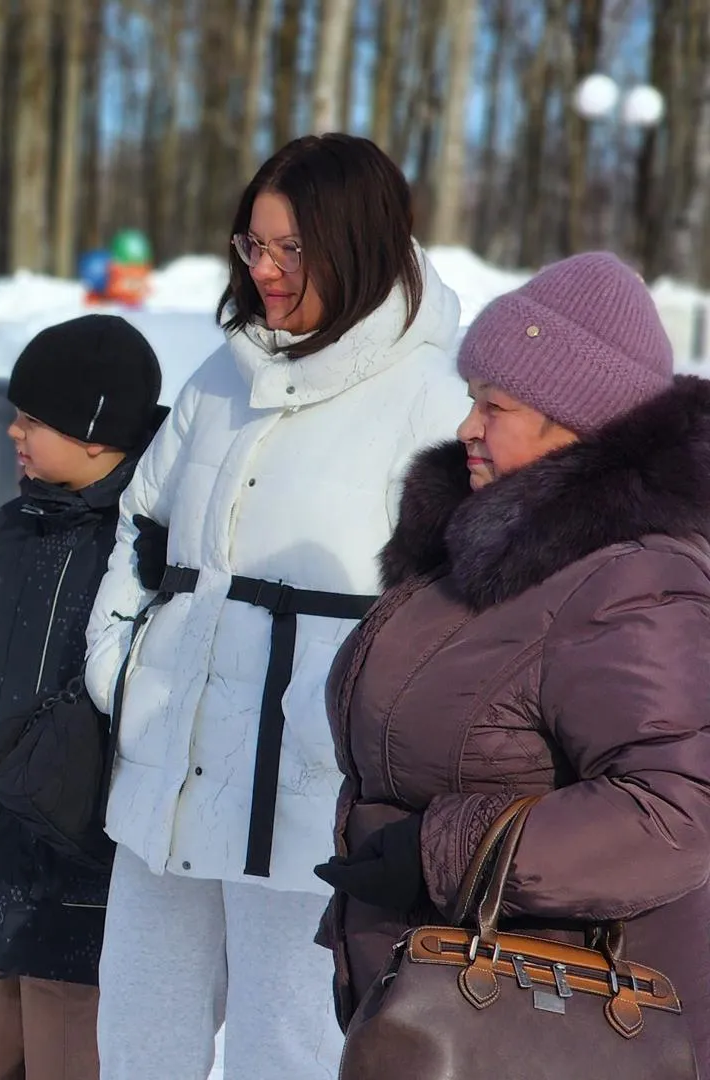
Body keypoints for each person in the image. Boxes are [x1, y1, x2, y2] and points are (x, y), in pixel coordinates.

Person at [80, 133, 467, 1078]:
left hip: (311, 802)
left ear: (360, 241)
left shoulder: (432, 397)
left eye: (293, 248)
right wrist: (121, 676)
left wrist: (364, 757)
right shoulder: (221, 376)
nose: (266, 271)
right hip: (168, 766)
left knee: (287, 1054)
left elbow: (455, 612)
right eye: (253, 245)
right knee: (136, 1042)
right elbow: (140, 532)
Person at [313, 252, 710, 1062]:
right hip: (449, 1002)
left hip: (554, 1023)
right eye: (470, 400)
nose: (466, 427)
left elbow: (677, 811)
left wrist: (442, 852)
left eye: (494, 406)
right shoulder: (483, 552)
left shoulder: (632, 579)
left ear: (573, 423)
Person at [0, 314, 167, 1079]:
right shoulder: (14, 526)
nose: (12, 431)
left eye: (32, 418)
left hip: (84, 877)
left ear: (94, 432)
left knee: (68, 1056)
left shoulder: (149, 544)